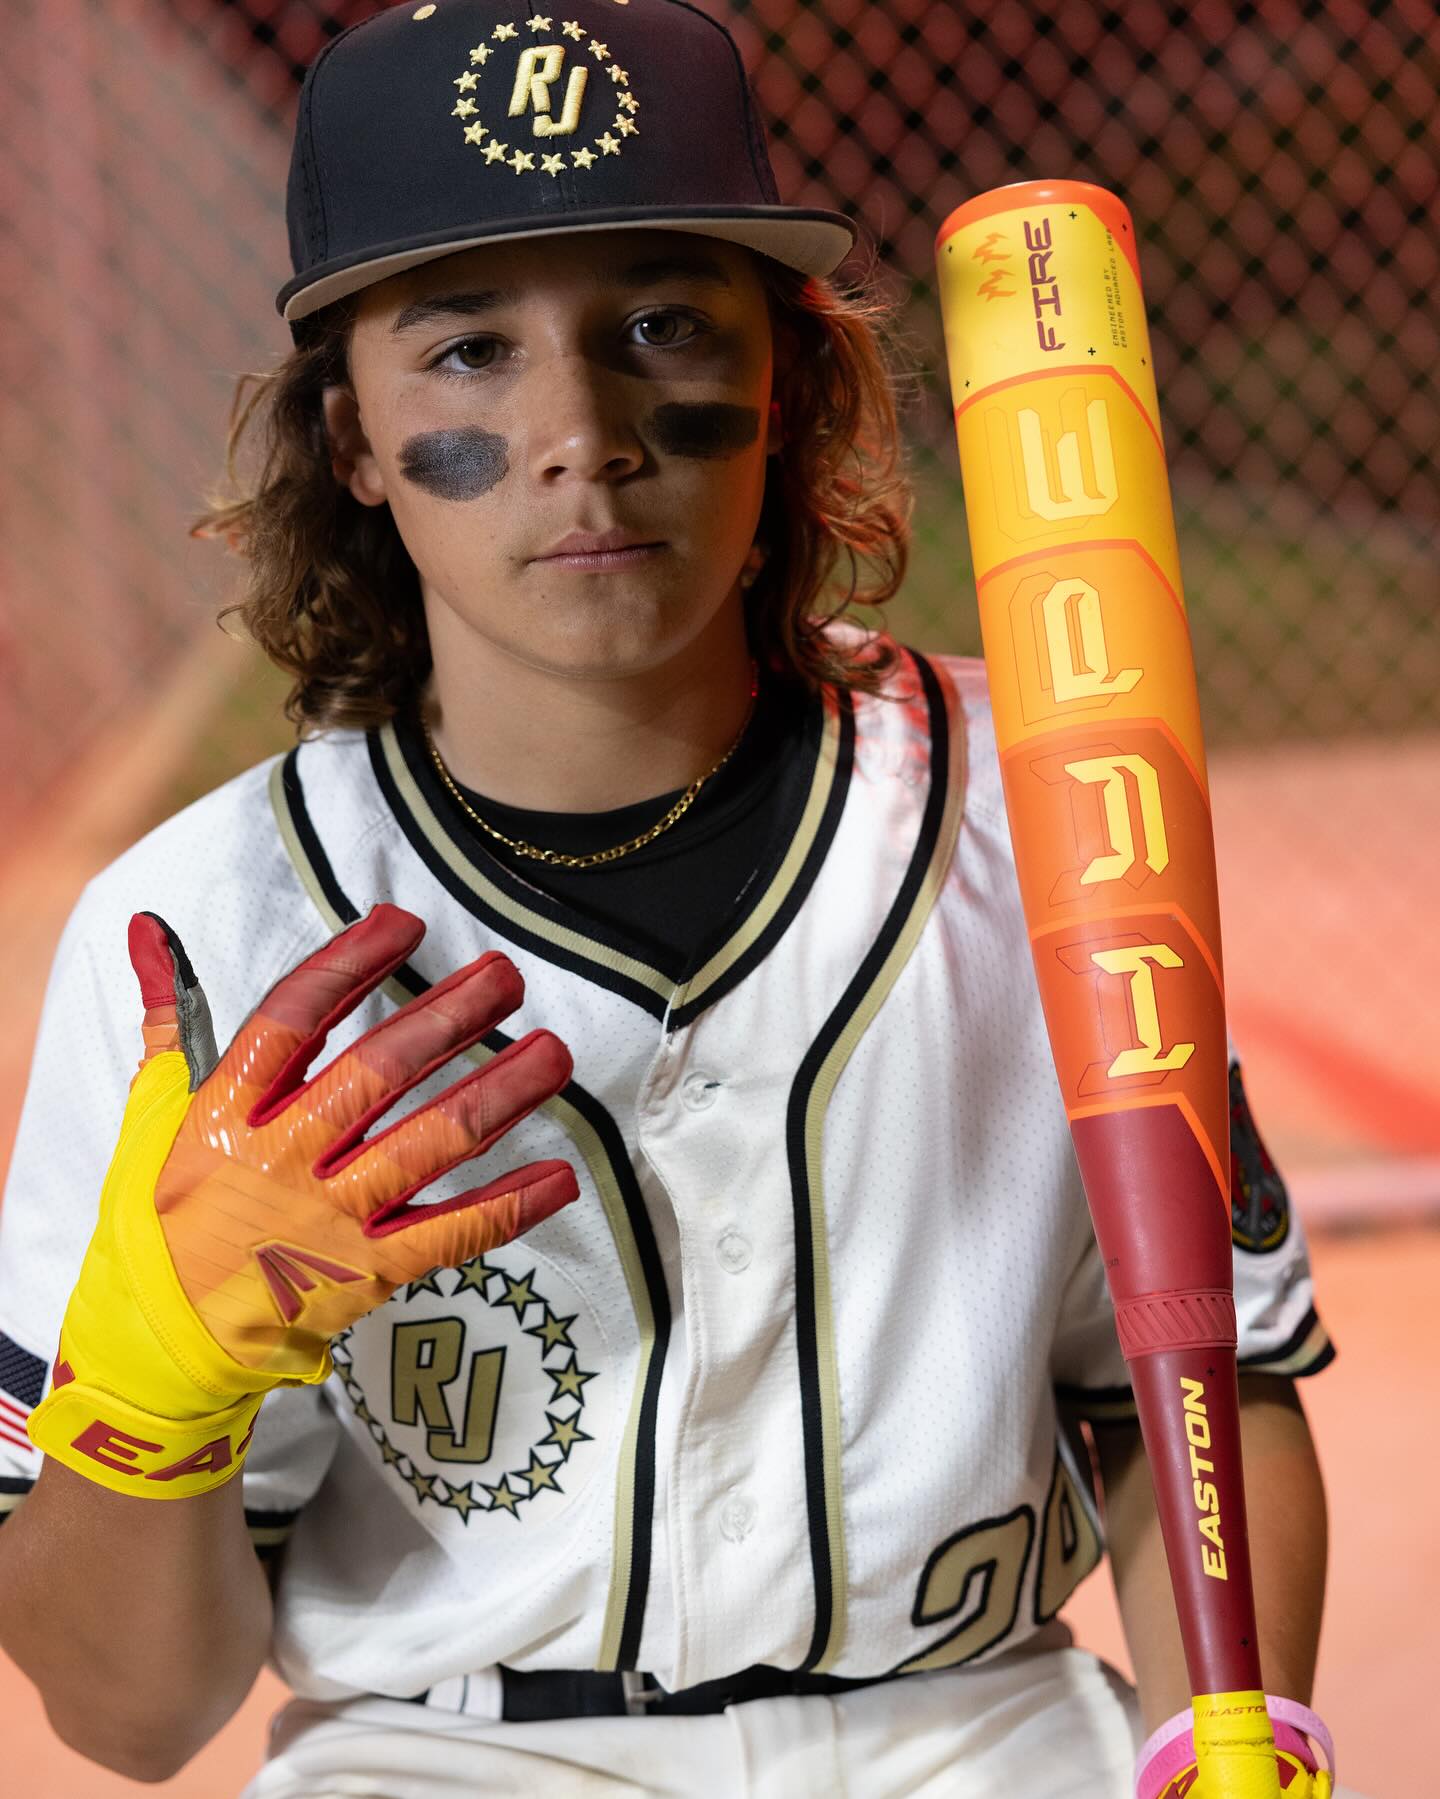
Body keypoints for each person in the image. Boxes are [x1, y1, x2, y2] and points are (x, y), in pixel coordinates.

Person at [0, 3, 1343, 1794]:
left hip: (989, 1734)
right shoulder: (204, 938)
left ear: (781, 375)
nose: (581, 430)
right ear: (352, 444)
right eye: (469, 350)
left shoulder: (1052, 807)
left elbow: (1188, 1392)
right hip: (442, 1761)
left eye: (656, 325)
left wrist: (1233, 1732)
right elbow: (129, 1718)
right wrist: (146, 1411)